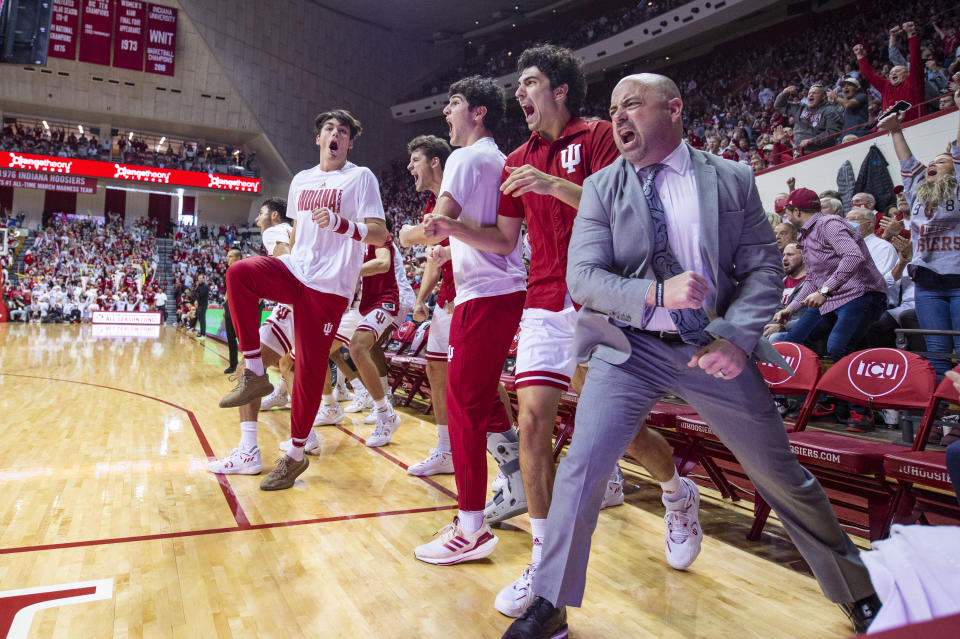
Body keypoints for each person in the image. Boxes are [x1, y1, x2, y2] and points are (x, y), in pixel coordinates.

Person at [502, 73, 881, 639]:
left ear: (674, 109)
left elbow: (763, 266)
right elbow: (584, 277)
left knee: (780, 476)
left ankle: (859, 593)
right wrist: (655, 294)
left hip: (712, 348)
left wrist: (736, 337)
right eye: (613, 109)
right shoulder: (603, 186)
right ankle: (551, 600)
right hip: (629, 346)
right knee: (581, 469)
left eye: (632, 105)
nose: (619, 117)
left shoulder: (730, 177)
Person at [424, 46, 702, 619]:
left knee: (618, 428)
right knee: (530, 421)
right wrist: (451, 227)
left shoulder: (598, 135)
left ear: (559, 91)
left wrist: (551, 187)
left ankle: (677, 490)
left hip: (602, 293)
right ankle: (546, 563)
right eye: (519, 85)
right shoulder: (516, 158)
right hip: (544, 297)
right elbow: (504, 242)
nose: (519, 94)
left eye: (530, 83)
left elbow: (624, 212)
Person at [220, 110, 388, 490]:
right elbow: (297, 237)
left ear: (349, 143)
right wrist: (282, 272)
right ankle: (254, 372)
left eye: (343, 132)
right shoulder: (301, 180)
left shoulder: (360, 178)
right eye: (329, 129)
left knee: (309, 369)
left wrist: (343, 223)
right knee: (240, 273)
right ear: (318, 138)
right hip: (297, 270)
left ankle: (295, 455)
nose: (335, 135)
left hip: (330, 287)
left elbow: (378, 234)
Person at [413, 75, 527, 565]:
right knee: (478, 397)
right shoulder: (501, 160)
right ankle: (516, 478)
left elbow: (433, 224)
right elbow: (501, 241)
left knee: (462, 405)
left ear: (478, 112)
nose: (446, 112)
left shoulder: (465, 158)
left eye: (454, 103)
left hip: (484, 297)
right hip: (501, 292)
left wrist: (410, 234)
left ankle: (472, 527)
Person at [876, 76, 960, 376]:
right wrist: (895, 129)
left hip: (958, 279)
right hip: (927, 282)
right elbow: (906, 160)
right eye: (932, 161)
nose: (933, 164)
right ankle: (942, 417)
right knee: (936, 351)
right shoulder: (917, 193)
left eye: (943, 161)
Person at [209, 198, 296, 476]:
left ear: (273, 216)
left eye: (259, 215)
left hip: (299, 306)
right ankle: (304, 439)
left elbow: (286, 267)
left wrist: (265, 285)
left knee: (251, 370)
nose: (256, 221)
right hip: (296, 307)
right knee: (276, 368)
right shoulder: (290, 231)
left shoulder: (276, 231)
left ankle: (249, 453)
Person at [773, 189, 888, 363]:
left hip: (860, 294)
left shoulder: (829, 224)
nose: (786, 217)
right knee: (793, 342)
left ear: (796, 211)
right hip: (831, 297)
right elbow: (812, 279)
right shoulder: (804, 236)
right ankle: (803, 388)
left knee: (838, 347)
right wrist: (791, 308)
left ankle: (850, 388)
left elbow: (853, 257)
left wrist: (823, 291)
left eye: (787, 212)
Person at [399, 134, 457, 476]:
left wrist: (408, 233)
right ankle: (445, 449)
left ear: (434, 161)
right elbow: (434, 259)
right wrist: (421, 300)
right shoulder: (431, 204)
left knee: (483, 381)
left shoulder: (456, 193)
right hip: (445, 301)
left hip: (472, 295)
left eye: (415, 160)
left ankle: (506, 463)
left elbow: (421, 236)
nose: (409, 167)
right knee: (435, 370)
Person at [854, 22, 925, 123]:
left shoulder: (913, 80)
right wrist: (860, 56)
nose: (893, 74)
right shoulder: (886, 86)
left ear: (907, 74)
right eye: (891, 73)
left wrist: (911, 34)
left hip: (917, 125)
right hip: (892, 130)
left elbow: (916, 58)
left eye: (897, 71)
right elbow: (869, 74)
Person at [222, 249, 241, 374]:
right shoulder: (229, 271)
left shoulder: (243, 269)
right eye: (227, 256)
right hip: (229, 306)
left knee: (244, 337)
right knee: (230, 337)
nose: (228, 258)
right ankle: (233, 364)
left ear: (238, 258)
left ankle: (252, 365)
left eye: (230, 256)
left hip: (240, 306)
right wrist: (224, 305)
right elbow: (228, 290)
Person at [194, 274, 209, 338]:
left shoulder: (205, 286)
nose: (199, 279)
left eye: (200, 278)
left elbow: (201, 294)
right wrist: (197, 300)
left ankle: (203, 333)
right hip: (199, 304)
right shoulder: (198, 286)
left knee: (202, 319)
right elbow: (196, 293)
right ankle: (201, 332)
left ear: (203, 279)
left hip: (203, 304)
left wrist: (197, 295)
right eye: (198, 278)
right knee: (200, 319)